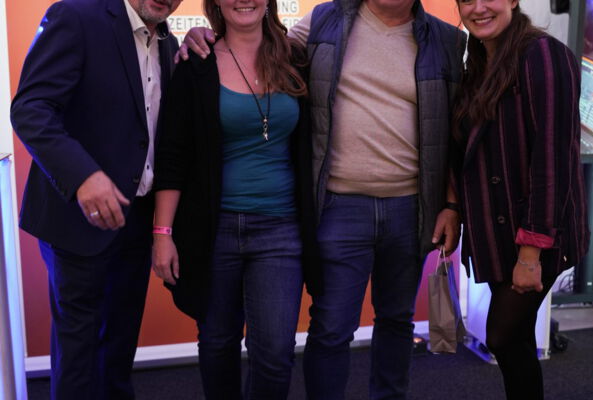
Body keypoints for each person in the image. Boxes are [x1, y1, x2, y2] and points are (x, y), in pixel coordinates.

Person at [179, 1, 465, 399]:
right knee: (331, 329)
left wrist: (451, 204)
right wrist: (201, 36)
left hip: (411, 207)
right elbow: (256, 40)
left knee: (397, 322)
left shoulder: (446, 40)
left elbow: (454, 130)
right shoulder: (323, 21)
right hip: (338, 206)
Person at [10, 0, 182, 398]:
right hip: (77, 219)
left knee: (119, 348)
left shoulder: (168, 43)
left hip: (136, 220)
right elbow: (31, 109)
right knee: (78, 358)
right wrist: (83, 176)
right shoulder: (75, 16)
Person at [150, 0, 321, 398]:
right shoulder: (196, 62)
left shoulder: (296, 59)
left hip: (281, 229)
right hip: (213, 230)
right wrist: (162, 233)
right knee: (217, 343)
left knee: (275, 353)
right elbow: (173, 156)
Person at [453, 1, 590, 398]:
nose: (478, 8)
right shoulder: (480, 60)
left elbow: (552, 160)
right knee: (515, 342)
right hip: (497, 233)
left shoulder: (542, 55)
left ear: (513, 0)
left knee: (502, 336)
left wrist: (531, 253)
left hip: (537, 234)